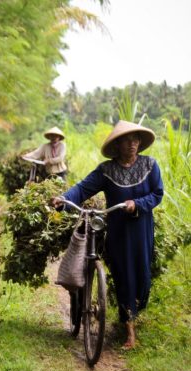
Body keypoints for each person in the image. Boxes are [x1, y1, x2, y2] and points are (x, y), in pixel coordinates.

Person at [51, 120, 163, 349]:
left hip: (141, 231)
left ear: (140, 143)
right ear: (117, 144)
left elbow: (157, 194)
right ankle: (129, 332)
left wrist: (138, 203)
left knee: (142, 277)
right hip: (119, 232)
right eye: (126, 140)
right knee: (124, 277)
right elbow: (82, 188)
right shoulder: (106, 170)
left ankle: (134, 312)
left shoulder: (151, 165)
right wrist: (64, 199)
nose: (132, 144)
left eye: (135, 140)